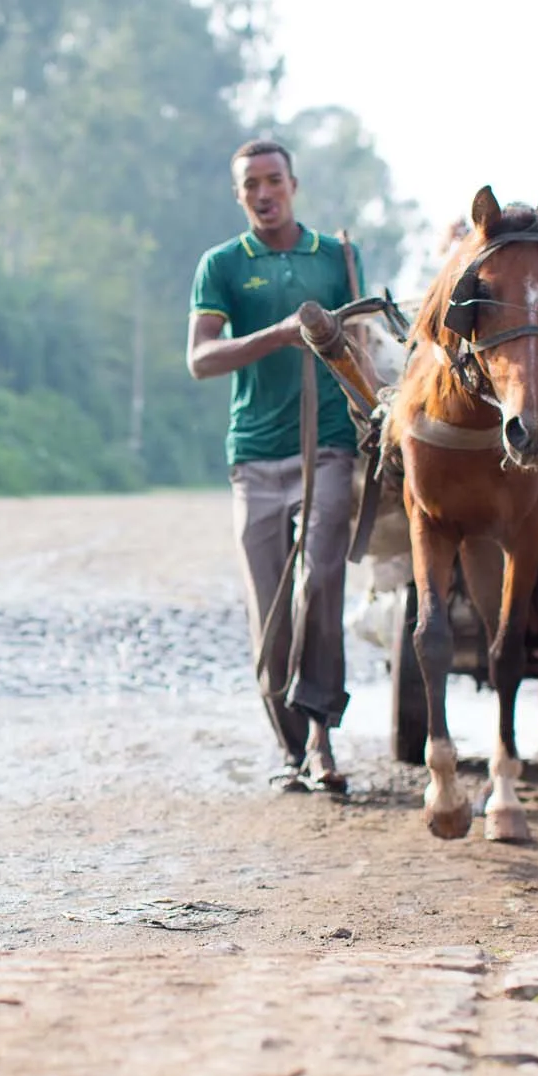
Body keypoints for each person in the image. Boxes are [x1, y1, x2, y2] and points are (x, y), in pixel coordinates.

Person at [187, 137, 365, 792]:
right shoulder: (223, 265)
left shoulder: (337, 257)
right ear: (239, 196)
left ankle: (321, 736)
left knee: (320, 581)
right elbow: (200, 360)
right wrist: (279, 334)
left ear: (294, 184)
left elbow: (362, 345)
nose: (264, 193)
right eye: (250, 185)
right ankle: (290, 745)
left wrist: (380, 416)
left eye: (273, 180)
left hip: (331, 447)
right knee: (270, 609)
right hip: (257, 456)